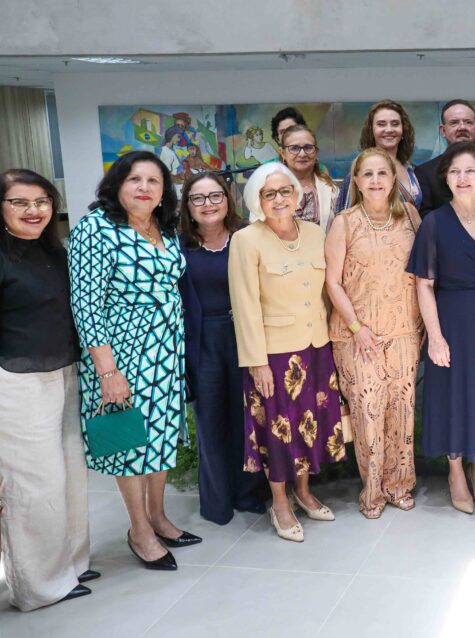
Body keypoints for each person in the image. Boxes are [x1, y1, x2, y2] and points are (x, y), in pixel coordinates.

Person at [68, 151, 198, 570]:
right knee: (128, 444)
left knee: (159, 439)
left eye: (154, 181)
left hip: (165, 354)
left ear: (164, 192)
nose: (144, 188)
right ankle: (139, 531)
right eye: (134, 179)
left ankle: (159, 517)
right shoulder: (96, 228)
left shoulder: (167, 227)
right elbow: (85, 304)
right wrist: (108, 372)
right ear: (117, 185)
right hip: (120, 358)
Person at [228, 162, 346, 543]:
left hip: (315, 349)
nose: (279, 199)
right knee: (279, 429)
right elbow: (244, 305)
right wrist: (256, 362)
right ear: (257, 200)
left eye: (285, 192)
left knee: (309, 425)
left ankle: (304, 490)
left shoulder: (314, 233)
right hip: (275, 355)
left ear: (297, 195)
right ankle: (279, 501)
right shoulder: (247, 240)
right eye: (269, 193)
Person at [0, 169, 95, 609]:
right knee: (36, 485)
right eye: (20, 202)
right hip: (17, 380)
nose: (33, 210)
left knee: (71, 476)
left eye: (41, 201)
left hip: (65, 373)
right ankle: (38, 585)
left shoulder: (55, 251)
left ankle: (72, 564)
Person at [407, 141, 475, 514]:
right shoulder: (434, 223)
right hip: (450, 320)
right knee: (453, 396)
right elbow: (423, 284)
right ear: (446, 179)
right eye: (455, 172)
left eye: (470, 170)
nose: (463, 178)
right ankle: (455, 471)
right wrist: (435, 337)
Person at [326, 149, 423, 519]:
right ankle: (372, 491)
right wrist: (356, 327)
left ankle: (399, 485)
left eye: (383, 173)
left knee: (401, 411)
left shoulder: (410, 217)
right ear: (356, 181)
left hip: (403, 331)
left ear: (393, 179)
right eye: (367, 174)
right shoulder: (344, 223)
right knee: (368, 414)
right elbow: (332, 282)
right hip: (357, 335)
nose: (376, 180)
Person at [177, 172, 266, 525]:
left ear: (228, 199)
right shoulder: (177, 246)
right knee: (210, 421)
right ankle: (216, 502)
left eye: (215, 196)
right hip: (202, 340)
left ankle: (248, 494)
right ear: (187, 206)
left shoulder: (247, 237)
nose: (208, 204)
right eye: (198, 198)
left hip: (245, 335)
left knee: (247, 419)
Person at [335, 100, 423, 211]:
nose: (389, 129)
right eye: (381, 124)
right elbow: (346, 217)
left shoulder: (411, 170)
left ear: (403, 129)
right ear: (371, 130)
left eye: (395, 124)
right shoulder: (360, 172)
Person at [415, 99, 475, 217]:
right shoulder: (425, 173)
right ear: (443, 130)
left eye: (468, 122)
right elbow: (426, 218)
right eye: (454, 122)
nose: (462, 127)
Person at [277, 125, 338, 232]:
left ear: (316, 152)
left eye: (308, 147)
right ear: (283, 154)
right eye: (294, 148)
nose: (302, 154)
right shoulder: (267, 190)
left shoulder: (332, 189)